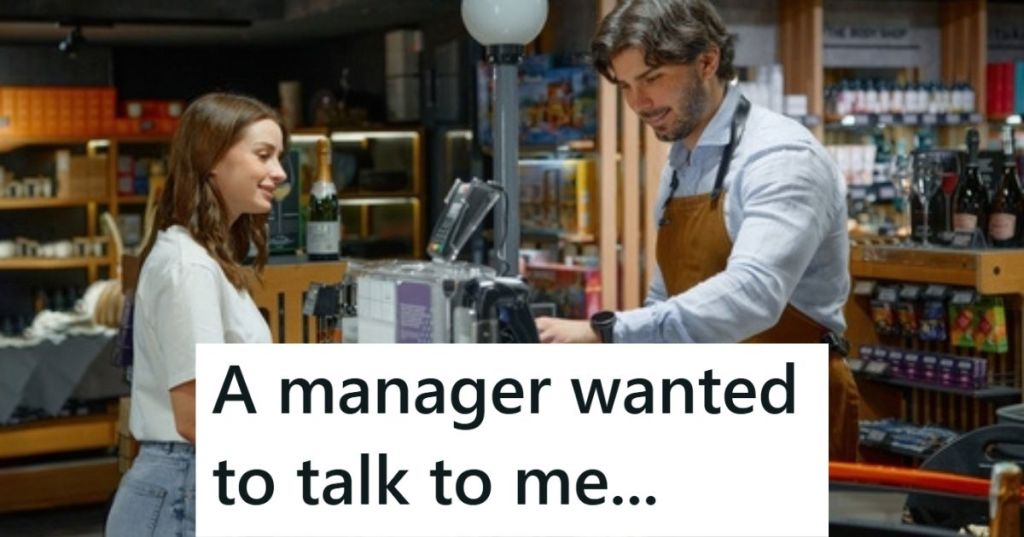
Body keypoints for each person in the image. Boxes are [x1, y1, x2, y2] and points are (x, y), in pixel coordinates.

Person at [534, 0, 860, 461]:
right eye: (626, 86)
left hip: (791, 404)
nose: (638, 103)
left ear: (706, 62)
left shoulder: (780, 157)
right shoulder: (681, 162)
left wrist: (605, 332)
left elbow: (753, 293)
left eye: (651, 79)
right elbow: (665, 297)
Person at [106, 93, 288, 536]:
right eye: (264, 155)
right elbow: (198, 418)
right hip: (184, 490)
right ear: (211, 160)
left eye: (279, 157)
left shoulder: (207, 260)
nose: (280, 173)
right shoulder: (188, 266)